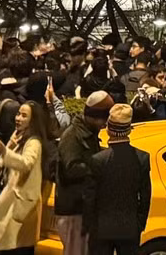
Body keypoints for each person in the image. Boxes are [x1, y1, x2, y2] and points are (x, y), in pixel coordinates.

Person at [86, 103, 152, 255]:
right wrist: (140, 223)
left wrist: (90, 225)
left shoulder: (98, 159)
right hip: (129, 225)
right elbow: (146, 195)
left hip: (102, 226)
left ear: (109, 129)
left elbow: (90, 197)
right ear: (129, 129)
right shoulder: (142, 158)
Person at [54, 92, 111, 255]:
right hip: (73, 209)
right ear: (94, 117)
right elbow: (70, 169)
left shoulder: (89, 134)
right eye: (103, 119)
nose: (105, 124)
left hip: (83, 208)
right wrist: (99, 165)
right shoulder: (72, 136)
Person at [0, 101, 47, 255]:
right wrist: (0, 161)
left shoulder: (34, 142)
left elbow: (26, 163)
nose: (18, 118)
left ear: (33, 120)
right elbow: (8, 161)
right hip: (12, 203)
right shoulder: (18, 136)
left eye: (24, 115)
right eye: (18, 114)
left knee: (19, 248)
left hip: (22, 206)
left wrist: (5, 152)